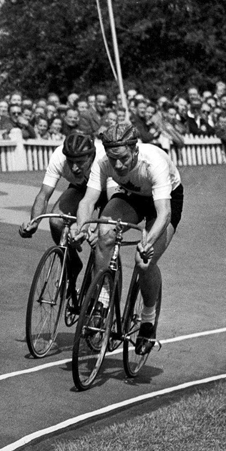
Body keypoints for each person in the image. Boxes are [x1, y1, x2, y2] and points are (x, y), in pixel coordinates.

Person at [80, 122, 181, 355]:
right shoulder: (104, 162)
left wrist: (147, 241)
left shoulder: (153, 161)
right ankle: (103, 301)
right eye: (112, 158)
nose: (118, 165)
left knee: (145, 261)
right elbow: (87, 201)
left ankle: (148, 320)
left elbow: (164, 213)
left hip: (165, 201)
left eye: (123, 158)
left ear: (135, 149)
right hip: (132, 196)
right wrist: (84, 227)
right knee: (105, 233)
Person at [20, 133, 105, 309]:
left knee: (104, 237)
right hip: (81, 188)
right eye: (70, 161)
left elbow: (112, 202)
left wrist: (98, 227)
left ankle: (102, 292)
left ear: (91, 155)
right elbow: (43, 195)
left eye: (80, 162)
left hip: (107, 191)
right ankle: (73, 262)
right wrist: (34, 222)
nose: (74, 168)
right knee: (57, 221)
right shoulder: (59, 156)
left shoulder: (104, 159)